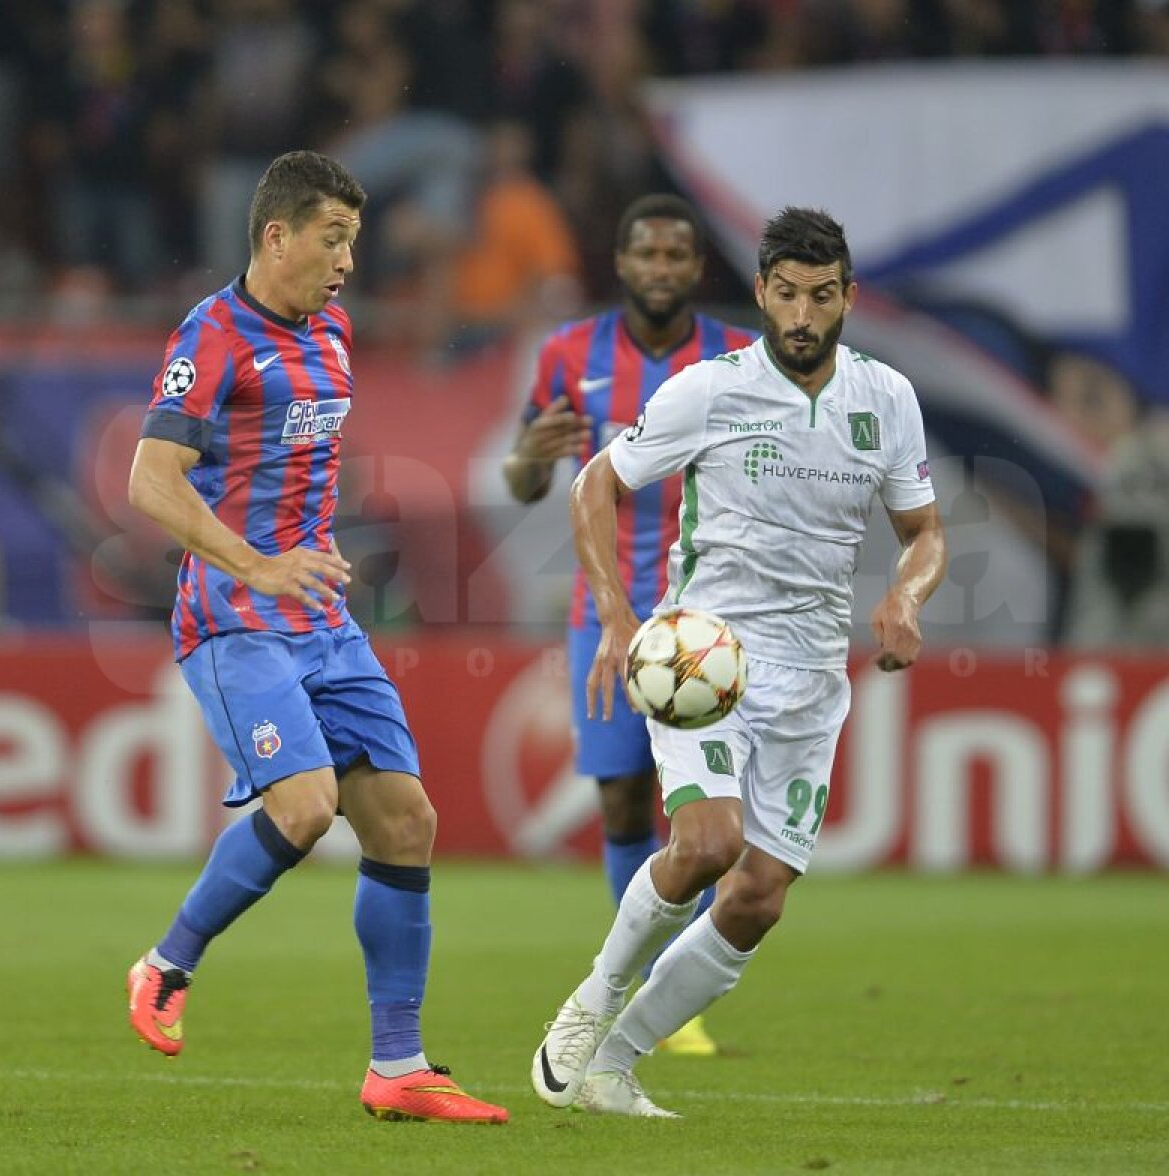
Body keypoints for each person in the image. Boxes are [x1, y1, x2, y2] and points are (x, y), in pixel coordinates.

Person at [531, 206, 947, 1117]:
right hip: (703, 654)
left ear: (848, 297)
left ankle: (614, 1065)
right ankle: (591, 1000)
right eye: (786, 294)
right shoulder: (709, 390)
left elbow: (923, 532)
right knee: (709, 845)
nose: (802, 315)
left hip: (812, 675)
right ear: (759, 291)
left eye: (821, 296)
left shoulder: (887, 398)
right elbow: (596, 482)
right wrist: (615, 614)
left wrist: (906, 597)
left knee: (758, 897)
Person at [125, 150, 507, 1125]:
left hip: (321, 618)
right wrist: (257, 564)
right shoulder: (211, 336)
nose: (347, 262)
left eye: (354, 241)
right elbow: (152, 481)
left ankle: (399, 1068)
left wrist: (314, 540)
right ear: (276, 235)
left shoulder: (333, 331)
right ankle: (166, 964)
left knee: (406, 822)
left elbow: (294, 461)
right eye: (333, 240)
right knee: (303, 806)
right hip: (234, 616)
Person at [503, 193, 755, 1057]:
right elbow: (525, 483)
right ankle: (645, 979)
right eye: (646, 253)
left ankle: (676, 991)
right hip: (605, 611)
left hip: (710, 616)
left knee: (706, 809)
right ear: (621, 262)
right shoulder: (569, 353)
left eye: (676, 254)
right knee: (619, 797)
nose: (660, 268)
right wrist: (527, 456)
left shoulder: (736, 356)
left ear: (697, 266)